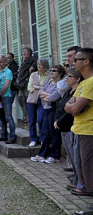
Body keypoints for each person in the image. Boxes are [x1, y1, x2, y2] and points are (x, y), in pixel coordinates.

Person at [65, 48, 93, 198]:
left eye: (76, 60)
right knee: (83, 169)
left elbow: (74, 108)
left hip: (89, 131)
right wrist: (73, 107)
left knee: (89, 169)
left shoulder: (91, 83)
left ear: (86, 62)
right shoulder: (83, 83)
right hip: (79, 129)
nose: (72, 62)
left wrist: (73, 107)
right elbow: (68, 106)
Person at [54, 68, 83, 192]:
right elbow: (61, 106)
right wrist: (56, 120)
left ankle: (80, 182)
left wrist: (59, 121)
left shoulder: (78, 92)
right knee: (71, 156)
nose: (67, 78)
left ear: (77, 79)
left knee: (76, 158)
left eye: (69, 76)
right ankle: (77, 180)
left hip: (70, 126)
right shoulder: (68, 92)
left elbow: (70, 111)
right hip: (62, 127)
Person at [30, 64, 65, 163]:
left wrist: (46, 96)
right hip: (46, 109)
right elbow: (40, 92)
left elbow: (54, 97)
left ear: (60, 73)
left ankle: (55, 155)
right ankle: (42, 154)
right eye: (51, 70)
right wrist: (47, 96)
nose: (51, 72)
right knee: (45, 133)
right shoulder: (50, 82)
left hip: (54, 110)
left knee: (54, 133)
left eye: (54, 71)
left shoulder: (61, 84)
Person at [26, 59, 51, 146]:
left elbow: (49, 89)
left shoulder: (49, 76)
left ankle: (42, 138)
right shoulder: (33, 74)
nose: (39, 66)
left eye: (41, 64)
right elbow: (30, 87)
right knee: (31, 121)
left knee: (40, 120)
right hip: (31, 100)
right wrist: (40, 88)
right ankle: (33, 139)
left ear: (45, 66)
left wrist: (37, 88)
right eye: (38, 64)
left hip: (43, 101)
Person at [0, 56, 16, 143]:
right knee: (1, 117)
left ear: (5, 62)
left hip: (6, 96)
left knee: (8, 117)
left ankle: (12, 137)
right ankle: (4, 135)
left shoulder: (8, 72)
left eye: (0, 62)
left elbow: (6, 85)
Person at [15, 48, 37, 123]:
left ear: (29, 53)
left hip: (27, 82)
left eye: (26, 52)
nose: (24, 53)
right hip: (21, 83)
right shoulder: (23, 61)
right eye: (23, 52)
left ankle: (30, 116)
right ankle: (25, 115)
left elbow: (36, 62)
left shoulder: (32, 59)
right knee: (21, 99)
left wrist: (32, 67)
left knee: (28, 99)